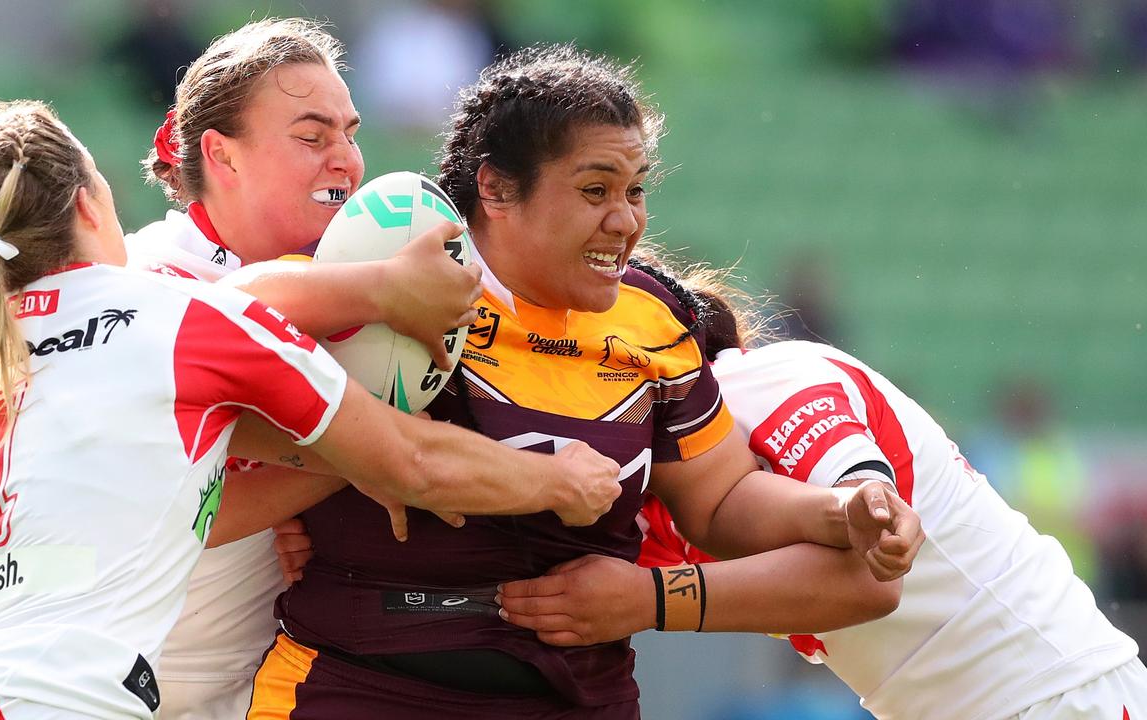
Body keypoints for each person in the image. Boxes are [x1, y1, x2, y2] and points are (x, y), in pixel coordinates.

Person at [249, 45, 924, 719]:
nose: (626, 219)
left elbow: (721, 503)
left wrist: (843, 509)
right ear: (496, 189)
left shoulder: (653, 319)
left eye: (635, 191)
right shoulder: (395, 267)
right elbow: (222, 321)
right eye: (595, 190)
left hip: (581, 699)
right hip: (355, 689)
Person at [0, 99, 622, 720]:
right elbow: (414, 465)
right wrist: (561, 482)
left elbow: (155, 504)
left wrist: (325, 472)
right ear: (89, 201)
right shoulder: (182, 319)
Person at [497, 256, 1147, 719]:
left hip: (1057, 695)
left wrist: (646, 600)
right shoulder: (646, 478)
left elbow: (872, 572)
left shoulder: (767, 385)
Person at [126, 18, 487, 718]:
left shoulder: (345, 282)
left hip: (262, 693)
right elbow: (179, 508)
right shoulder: (146, 277)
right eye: (312, 136)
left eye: (350, 134)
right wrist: (358, 459)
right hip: (122, 696)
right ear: (221, 157)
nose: (346, 161)